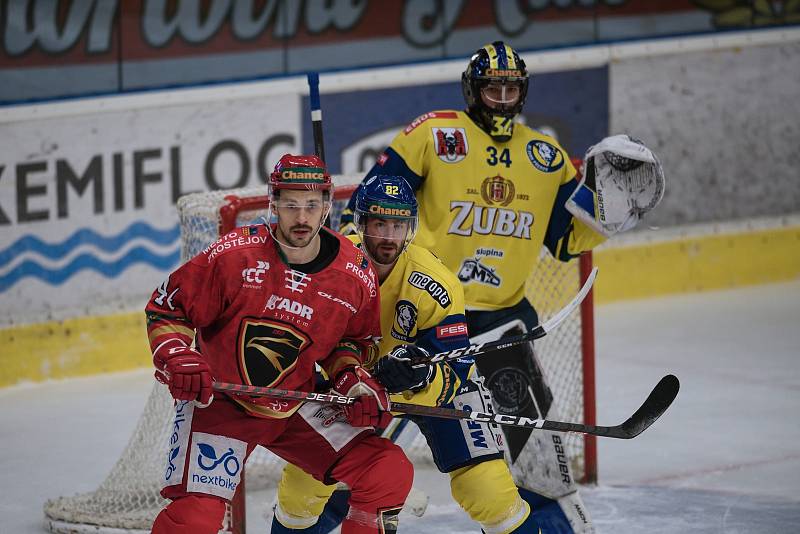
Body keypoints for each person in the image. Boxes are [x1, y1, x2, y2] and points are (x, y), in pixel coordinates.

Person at [340, 42, 664, 533]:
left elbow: (564, 240)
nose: (504, 97)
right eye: (494, 87)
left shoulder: (546, 157)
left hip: (503, 324)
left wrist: (606, 217)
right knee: (347, 446)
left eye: (513, 88)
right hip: (417, 317)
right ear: (474, 89)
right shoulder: (434, 134)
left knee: (536, 461)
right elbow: (364, 209)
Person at [145, 154, 413, 534]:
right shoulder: (233, 256)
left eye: (310, 205)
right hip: (222, 404)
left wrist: (353, 379)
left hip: (295, 403)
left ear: (327, 205)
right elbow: (167, 311)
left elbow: (350, 344)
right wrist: (177, 355)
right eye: (290, 205)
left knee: (386, 471)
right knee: (194, 519)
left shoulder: (355, 274)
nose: (301, 218)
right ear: (273, 203)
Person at [272, 174, 543, 534]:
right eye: (379, 222)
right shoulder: (326, 265)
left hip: (425, 391)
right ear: (361, 222)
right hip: (351, 385)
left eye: (398, 224)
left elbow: (455, 369)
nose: (388, 235)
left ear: (410, 228)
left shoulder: (435, 283)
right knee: (302, 488)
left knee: (488, 490)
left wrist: (422, 375)